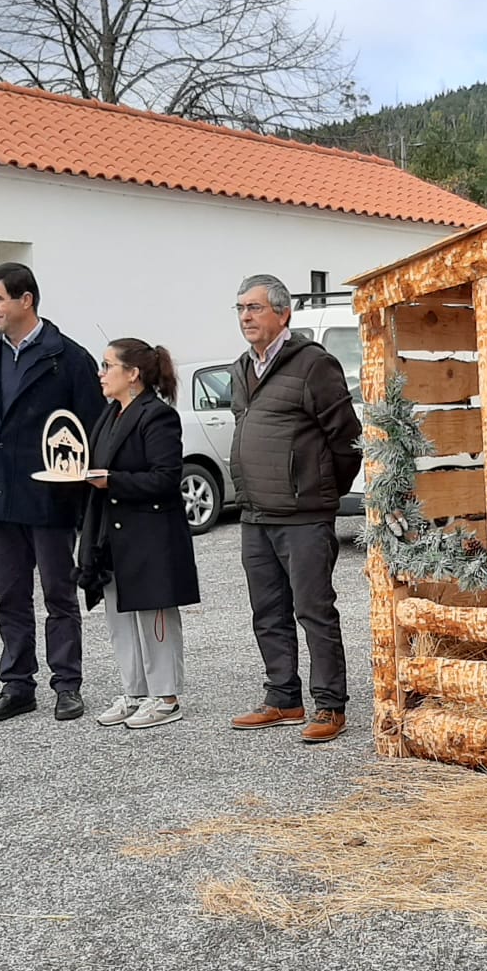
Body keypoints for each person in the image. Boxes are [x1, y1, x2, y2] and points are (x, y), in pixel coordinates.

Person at [226, 273, 362, 745]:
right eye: (240, 308)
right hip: (255, 515)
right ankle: (283, 698)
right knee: (267, 612)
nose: (245, 316)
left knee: (313, 611)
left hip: (303, 516)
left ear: (283, 313)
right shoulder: (242, 367)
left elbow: (347, 440)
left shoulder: (313, 365)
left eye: (255, 307)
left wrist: (319, 491)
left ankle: (330, 704)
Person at [0, 262, 104, 724]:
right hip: (0, 496)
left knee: (58, 595)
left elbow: (90, 429)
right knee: (9, 597)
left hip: (50, 496)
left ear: (25, 300)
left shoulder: (69, 357)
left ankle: (67, 684)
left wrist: (80, 494)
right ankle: (17, 685)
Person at [77, 339, 199, 730]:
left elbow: (165, 478)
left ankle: (166, 697)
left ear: (133, 374)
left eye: (107, 365)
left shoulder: (157, 415)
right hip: (111, 534)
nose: (100, 373)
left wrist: (112, 481)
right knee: (120, 617)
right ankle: (134, 692)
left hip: (150, 534)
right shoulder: (109, 414)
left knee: (154, 615)